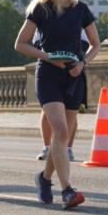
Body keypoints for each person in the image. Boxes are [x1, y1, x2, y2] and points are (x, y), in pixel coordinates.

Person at [14, 0, 98, 209]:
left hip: (73, 76)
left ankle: (44, 178)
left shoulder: (81, 9)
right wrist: (47, 57)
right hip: (49, 75)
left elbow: (95, 43)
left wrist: (82, 63)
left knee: (63, 138)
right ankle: (68, 191)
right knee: (60, 132)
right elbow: (20, 43)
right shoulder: (41, 9)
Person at [35, 29, 89, 162]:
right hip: (49, 70)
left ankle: (67, 148)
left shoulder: (78, 15)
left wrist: (71, 52)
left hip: (72, 69)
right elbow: (36, 42)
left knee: (71, 110)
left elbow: (87, 42)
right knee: (47, 110)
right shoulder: (43, 15)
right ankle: (47, 147)